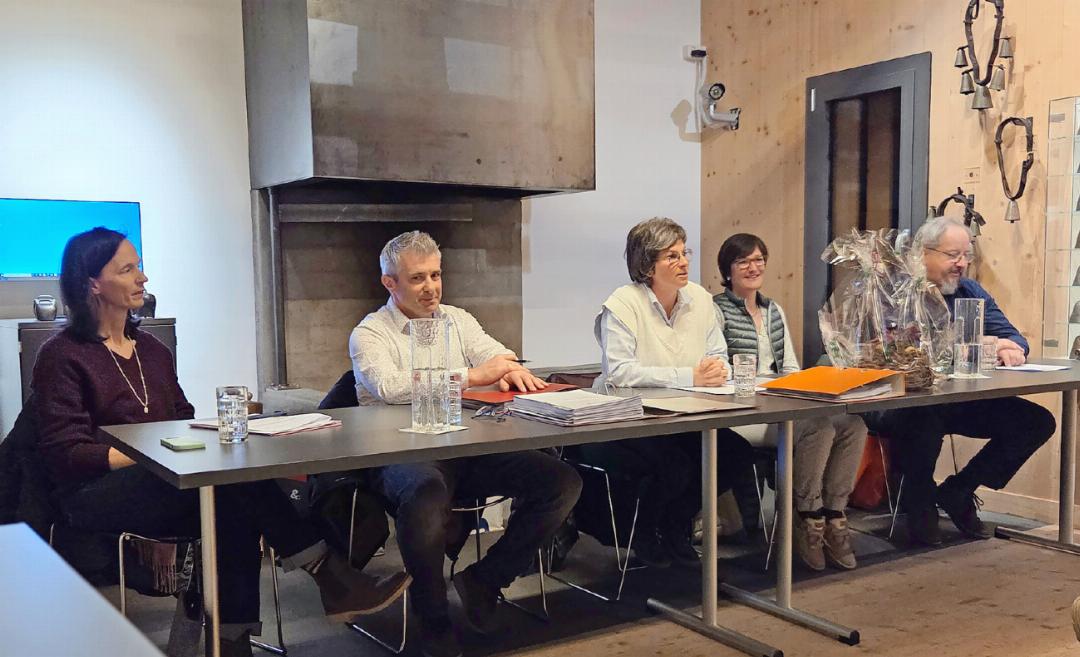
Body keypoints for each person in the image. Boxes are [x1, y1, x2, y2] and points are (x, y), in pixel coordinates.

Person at [32, 228, 410, 657]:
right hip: (93, 493)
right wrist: (152, 456)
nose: (142, 277)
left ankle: (234, 638)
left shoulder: (151, 349)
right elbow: (67, 452)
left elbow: (181, 416)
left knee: (231, 492)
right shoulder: (62, 355)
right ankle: (325, 576)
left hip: (166, 481)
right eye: (127, 269)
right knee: (231, 488)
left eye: (139, 266)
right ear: (92, 284)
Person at [349, 230, 582, 657]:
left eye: (436, 275)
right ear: (389, 283)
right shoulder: (370, 333)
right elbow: (389, 387)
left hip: (463, 447)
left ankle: (485, 580)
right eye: (417, 278)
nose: (431, 287)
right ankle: (433, 617)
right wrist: (472, 376)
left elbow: (499, 355)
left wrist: (509, 369)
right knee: (425, 492)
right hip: (400, 453)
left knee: (562, 481)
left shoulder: (457, 320)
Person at [865, 216, 1055, 545]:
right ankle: (919, 504)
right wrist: (981, 344)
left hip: (955, 399)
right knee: (924, 419)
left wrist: (1009, 347)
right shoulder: (895, 293)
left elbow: (1015, 339)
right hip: (900, 401)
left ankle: (960, 489)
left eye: (966, 255)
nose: (962, 264)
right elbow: (900, 352)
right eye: (953, 255)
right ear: (923, 253)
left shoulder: (969, 290)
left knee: (1036, 422)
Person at [584, 217, 753, 568]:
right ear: (648, 265)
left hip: (685, 414)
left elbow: (718, 353)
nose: (684, 262)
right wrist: (689, 375)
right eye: (672, 256)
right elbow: (620, 372)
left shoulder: (700, 299)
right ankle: (646, 533)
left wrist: (717, 369)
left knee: (736, 455)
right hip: (629, 418)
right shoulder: (623, 304)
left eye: (684, 253)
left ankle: (674, 525)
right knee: (674, 466)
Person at [714, 233, 867, 571]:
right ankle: (807, 515)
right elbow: (721, 371)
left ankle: (834, 514)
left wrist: (802, 386)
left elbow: (791, 368)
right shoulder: (716, 310)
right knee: (818, 428)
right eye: (743, 262)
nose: (753, 267)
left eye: (758, 260)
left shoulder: (773, 310)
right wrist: (766, 387)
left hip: (780, 403)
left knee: (853, 425)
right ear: (728, 270)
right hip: (743, 412)